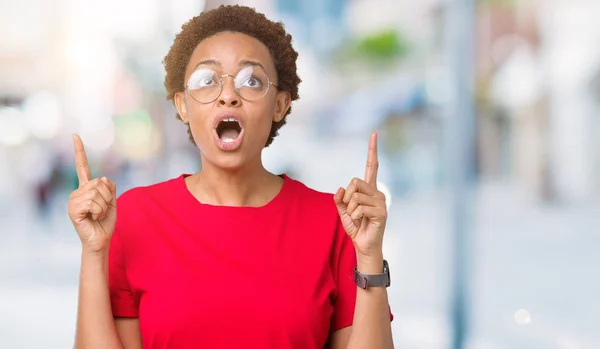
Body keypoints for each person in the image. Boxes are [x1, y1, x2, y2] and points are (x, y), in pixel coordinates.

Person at [68, 5, 393, 349]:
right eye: (207, 81)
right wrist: (93, 252)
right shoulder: (134, 216)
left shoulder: (334, 221)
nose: (228, 95)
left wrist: (370, 254)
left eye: (251, 81)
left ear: (280, 104)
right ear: (183, 105)